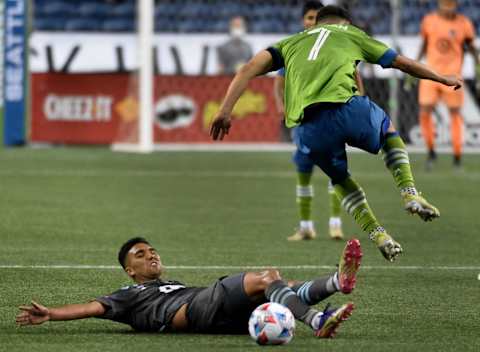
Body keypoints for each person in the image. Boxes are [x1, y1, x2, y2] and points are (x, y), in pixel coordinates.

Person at [210, 6, 462, 261]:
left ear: (315, 22)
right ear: (346, 22)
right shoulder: (350, 33)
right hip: (345, 108)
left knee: (340, 179)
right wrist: (441, 78)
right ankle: (409, 192)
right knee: (388, 130)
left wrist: (225, 110)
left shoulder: (289, 42)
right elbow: (400, 62)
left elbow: (247, 69)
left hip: (309, 128)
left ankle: (378, 234)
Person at [17, 237, 363, 339]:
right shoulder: (127, 295)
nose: (150, 254)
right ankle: (317, 320)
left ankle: (337, 282)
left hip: (214, 316)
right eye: (140, 254)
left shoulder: (169, 283)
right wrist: (52, 314)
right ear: (129, 270)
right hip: (196, 309)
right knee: (267, 277)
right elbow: (91, 309)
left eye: (152, 250)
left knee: (277, 287)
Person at [273, 1, 364, 242]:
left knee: (336, 170)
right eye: (309, 18)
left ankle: (335, 224)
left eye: (316, 18)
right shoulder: (294, 46)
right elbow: (279, 82)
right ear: (303, 20)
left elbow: (355, 76)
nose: (312, 22)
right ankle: (305, 227)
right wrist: (281, 106)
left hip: (333, 118)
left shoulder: (336, 45)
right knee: (303, 169)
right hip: (304, 118)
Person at [416, 0, 479, 169]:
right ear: (439, 5)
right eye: (445, 5)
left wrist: (477, 64)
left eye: (451, 5)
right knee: (424, 111)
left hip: (453, 76)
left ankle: (457, 155)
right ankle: (431, 151)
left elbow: (472, 47)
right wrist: (415, 64)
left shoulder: (464, 23)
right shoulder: (429, 20)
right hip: (430, 74)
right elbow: (424, 44)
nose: (448, 9)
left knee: (455, 114)